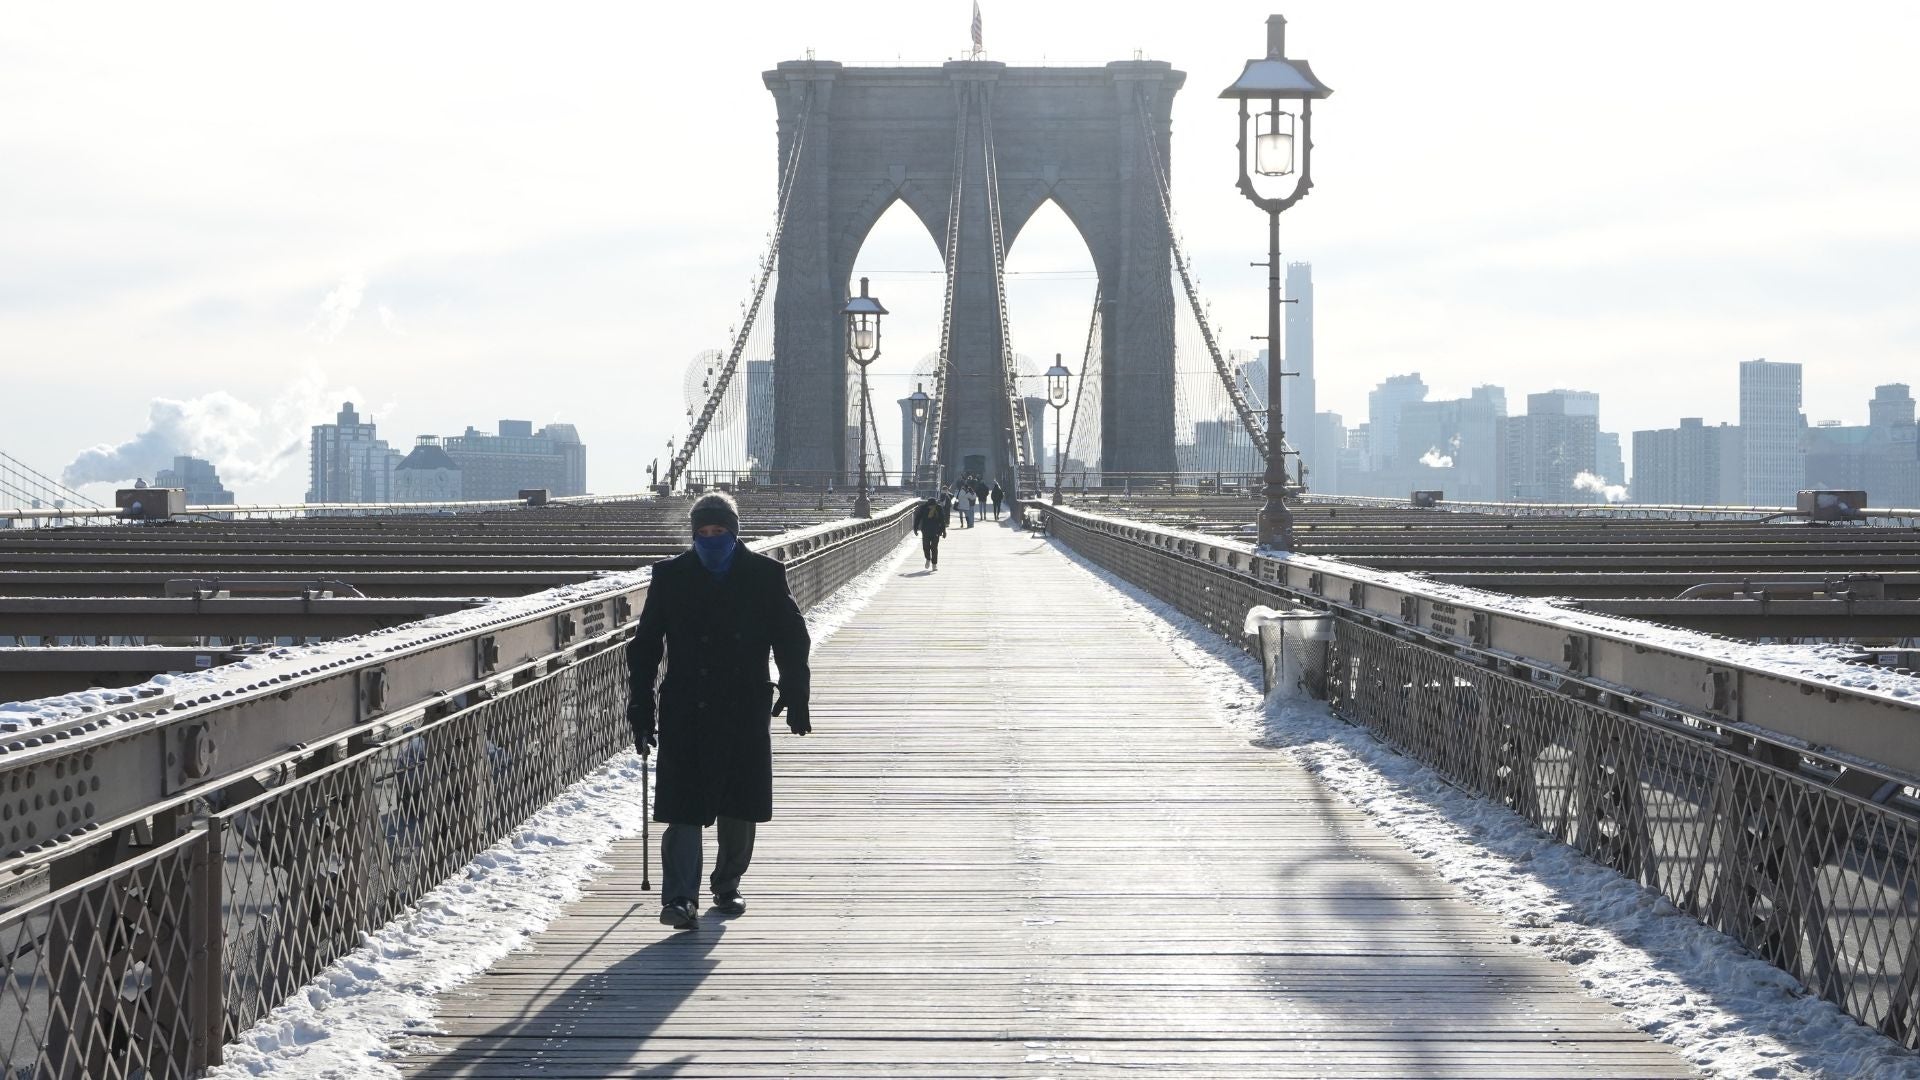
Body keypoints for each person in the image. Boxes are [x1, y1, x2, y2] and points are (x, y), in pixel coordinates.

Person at [627, 492, 812, 930]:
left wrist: (796, 693)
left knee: (739, 805)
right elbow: (646, 646)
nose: (711, 539)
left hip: (743, 703)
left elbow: (791, 638)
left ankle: (727, 884)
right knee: (683, 805)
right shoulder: (670, 576)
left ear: (734, 531)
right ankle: (678, 900)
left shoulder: (765, 575)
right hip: (686, 705)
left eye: (719, 531)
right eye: (703, 532)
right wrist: (640, 704)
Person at [914, 494, 948, 569]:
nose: (931, 507)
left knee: (934, 547)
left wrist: (944, 531)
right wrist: (915, 528)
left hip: (936, 531)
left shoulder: (939, 508)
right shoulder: (923, 508)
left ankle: (934, 564)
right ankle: (928, 559)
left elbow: (942, 520)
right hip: (925, 531)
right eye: (930, 506)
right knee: (926, 547)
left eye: (933, 506)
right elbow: (917, 518)